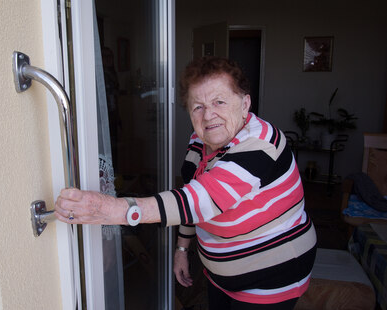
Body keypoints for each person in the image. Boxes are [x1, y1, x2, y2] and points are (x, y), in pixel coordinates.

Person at [55, 56, 317, 309]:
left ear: (245, 103)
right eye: (198, 106)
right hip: (220, 276)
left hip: (271, 278)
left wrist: (113, 210)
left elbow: (200, 199)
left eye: (219, 102)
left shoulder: (261, 144)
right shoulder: (201, 141)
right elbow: (192, 193)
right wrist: (182, 248)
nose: (208, 115)